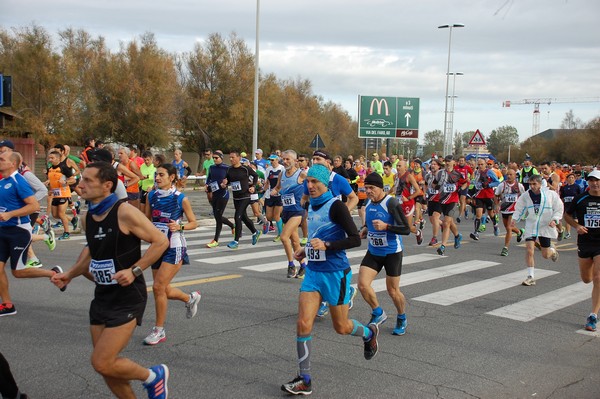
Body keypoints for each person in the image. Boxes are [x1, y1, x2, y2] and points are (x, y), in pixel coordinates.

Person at [51, 161, 171, 398]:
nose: (80, 184)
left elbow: (160, 242)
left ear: (107, 185)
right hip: (102, 296)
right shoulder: (88, 217)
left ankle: (153, 376)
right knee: (107, 368)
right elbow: (91, 252)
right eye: (81, 179)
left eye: (88, 180)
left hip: (127, 297)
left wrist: (134, 270)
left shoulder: (124, 212)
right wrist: (70, 274)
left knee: (102, 361)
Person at [280, 164, 378, 396]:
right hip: (314, 273)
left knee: (341, 327)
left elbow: (355, 239)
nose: (310, 186)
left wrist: (328, 245)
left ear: (325, 183)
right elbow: (316, 235)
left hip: (335, 273)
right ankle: (305, 379)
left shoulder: (336, 206)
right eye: (308, 181)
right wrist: (306, 250)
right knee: (303, 323)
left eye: (315, 182)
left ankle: (369, 333)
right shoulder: (310, 206)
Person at [0, 151, 63, 317]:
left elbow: (34, 206)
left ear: (12, 163)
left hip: (18, 231)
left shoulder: (18, 181)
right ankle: (7, 305)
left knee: (18, 272)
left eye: (1, 159)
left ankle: (53, 273)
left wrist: (10, 214)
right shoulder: (3, 181)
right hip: (3, 231)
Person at [143, 163, 200, 345]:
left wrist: (180, 226)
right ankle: (189, 298)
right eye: (156, 174)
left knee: (159, 287)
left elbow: (194, 223)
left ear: (172, 177)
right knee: (162, 289)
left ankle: (159, 330)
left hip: (174, 246)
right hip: (156, 246)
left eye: (161, 175)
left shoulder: (180, 198)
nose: (157, 178)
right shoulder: (151, 195)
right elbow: (145, 219)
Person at [357, 172, 411, 336]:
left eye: (371, 188)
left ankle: (401, 317)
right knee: (362, 285)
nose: (368, 191)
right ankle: (378, 312)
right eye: (366, 188)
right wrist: (365, 228)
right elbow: (369, 221)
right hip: (374, 251)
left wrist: (386, 227)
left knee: (393, 291)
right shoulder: (368, 202)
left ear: (380, 188)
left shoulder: (391, 203)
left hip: (391, 253)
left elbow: (406, 229)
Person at [563, 170, 600, 331]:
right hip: (585, 243)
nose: (594, 183)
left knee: (598, 278)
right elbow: (567, 215)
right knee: (587, 279)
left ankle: (593, 315)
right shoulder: (581, 198)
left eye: (597, 180)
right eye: (591, 180)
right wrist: (576, 226)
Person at [511, 174, 563, 286]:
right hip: (531, 225)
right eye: (530, 184)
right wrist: (515, 218)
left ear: (540, 184)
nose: (532, 186)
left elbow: (559, 208)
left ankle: (552, 251)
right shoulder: (526, 196)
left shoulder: (550, 194)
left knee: (545, 254)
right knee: (530, 250)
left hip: (545, 226)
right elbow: (519, 207)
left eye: (534, 184)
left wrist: (555, 219)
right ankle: (530, 277)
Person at [274, 150, 308, 278]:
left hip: (298, 211)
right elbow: (278, 188)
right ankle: (304, 266)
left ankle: (291, 265)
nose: (285, 161)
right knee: (295, 242)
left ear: (295, 161)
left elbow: (312, 187)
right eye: (284, 159)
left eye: (288, 159)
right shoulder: (281, 174)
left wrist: (308, 199)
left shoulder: (302, 174)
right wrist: (271, 192)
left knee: (284, 237)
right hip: (286, 211)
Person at [222, 150, 261, 249]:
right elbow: (227, 181)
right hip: (236, 197)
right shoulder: (229, 169)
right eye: (230, 157)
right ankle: (255, 232)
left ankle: (236, 241)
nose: (231, 159)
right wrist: (224, 184)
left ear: (239, 158)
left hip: (246, 196)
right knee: (243, 217)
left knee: (237, 216)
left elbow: (256, 176)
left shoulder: (245, 168)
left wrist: (253, 186)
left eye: (233, 157)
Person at [434, 155, 464, 256]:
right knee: (450, 222)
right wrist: (437, 186)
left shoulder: (457, 174)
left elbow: (466, 183)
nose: (447, 163)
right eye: (446, 161)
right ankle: (457, 235)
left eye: (449, 161)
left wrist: (460, 189)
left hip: (453, 200)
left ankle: (443, 246)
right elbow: (434, 184)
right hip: (442, 200)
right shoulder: (440, 173)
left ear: (453, 163)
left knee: (446, 223)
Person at [205, 151, 235, 248]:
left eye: (216, 158)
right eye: (213, 157)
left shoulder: (227, 168)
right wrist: (207, 185)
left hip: (223, 194)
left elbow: (232, 180)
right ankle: (232, 226)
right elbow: (209, 179)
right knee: (217, 216)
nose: (214, 159)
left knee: (218, 216)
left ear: (221, 158)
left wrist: (226, 184)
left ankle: (216, 240)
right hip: (215, 194)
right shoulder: (212, 168)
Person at [494, 167, 526, 256]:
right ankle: (520, 232)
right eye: (507, 174)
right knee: (508, 228)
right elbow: (496, 195)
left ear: (515, 176)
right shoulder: (502, 185)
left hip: (514, 210)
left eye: (511, 174)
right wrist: (497, 205)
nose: (509, 176)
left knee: (508, 228)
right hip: (504, 210)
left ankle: (505, 248)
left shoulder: (519, 186)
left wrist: (522, 208)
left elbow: (524, 196)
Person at [46, 150, 75, 240]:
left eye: (52, 158)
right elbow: (52, 180)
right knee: (55, 215)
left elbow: (73, 179)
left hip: (64, 193)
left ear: (58, 158)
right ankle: (72, 219)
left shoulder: (64, 167)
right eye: (49, 158)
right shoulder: (50, 169)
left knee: (61, 214)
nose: (50, 160)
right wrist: (48, 185)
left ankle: (66, 232)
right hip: (55, 194)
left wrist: (65, 182)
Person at [470, 158, 501, 241]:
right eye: (479, 164)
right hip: (479, 196)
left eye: (482, 164)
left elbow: (497, 182)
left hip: (488, 196)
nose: (480, 166)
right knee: (478, 214)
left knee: (491, 214)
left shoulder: (489, 172)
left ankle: (495, 225)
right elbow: (474, 183)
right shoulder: (476, 173)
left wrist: (489, 185)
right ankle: (475, 232)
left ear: (485, 164)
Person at [394, 160, 423, 245]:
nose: (398, 167)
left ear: (405, 167)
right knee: (395, 224)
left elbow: (418, 191)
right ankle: (395, 243)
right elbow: (394, 187)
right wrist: (386, 194)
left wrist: (408, 198)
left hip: (408, 204)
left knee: (409, 227)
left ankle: (418, 232)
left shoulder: (409, 176)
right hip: (398, 203)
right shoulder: (395, 176)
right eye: (397, 166)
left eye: (400, 166)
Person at [264, 154, 285, 241]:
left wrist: (280, 190)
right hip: (270, 195)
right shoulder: (268, 169)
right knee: (269, 216)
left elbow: (284, 181)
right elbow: (267, 182)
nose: (271, 162)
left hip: (279, 195)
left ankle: (280, 234)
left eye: (273, 160)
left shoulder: (282, 168)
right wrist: (262, 191)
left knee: (276, 216)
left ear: (277, 160)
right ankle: (281, 224)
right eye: (270, 160)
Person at [559, 173, 583, 239]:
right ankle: (568, 233)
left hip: (575, 205)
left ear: (575, 179)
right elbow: (562, 197)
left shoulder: (577, 186)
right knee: (567, 219)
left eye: (572, 178)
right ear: (567, 179)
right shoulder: (564, 187)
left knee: (575, 219)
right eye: (569, 177)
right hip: (567, 205)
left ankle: (579, 232)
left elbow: (581, 195)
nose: (571, 179)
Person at [454, 155, 473, 222]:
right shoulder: (455, 167)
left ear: (465, 162)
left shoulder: (467, 168)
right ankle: (465, 210)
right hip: (457, 185)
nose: (461, 162)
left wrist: (469, 178)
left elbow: (472, 174)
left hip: (465, 185)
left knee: (462, 200)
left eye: (462, 161)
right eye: (460, 161)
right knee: (459, 201)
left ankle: (459, 216)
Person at [139, 150, 156, 216]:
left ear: (152, 159)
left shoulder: (154, 167)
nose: (146, 162)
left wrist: (146, 176)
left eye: (148, 160)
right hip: (143, 190)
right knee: (142, 209)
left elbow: (153, 176)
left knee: (149, 210)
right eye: (145, 160)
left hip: (151, 190)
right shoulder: (142, 166)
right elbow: (140, 178)